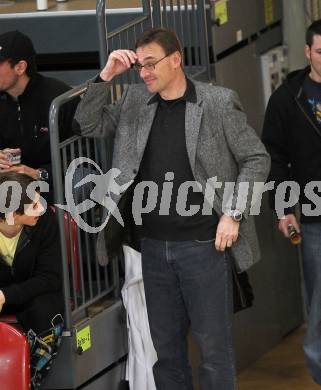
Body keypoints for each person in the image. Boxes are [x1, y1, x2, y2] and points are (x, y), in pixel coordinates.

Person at [74, 28, 270, 390]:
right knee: (166, 355)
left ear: (176, 59)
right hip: (153, 248)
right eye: (141, 66)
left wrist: (233, 213)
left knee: (214, 354)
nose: (145, 72)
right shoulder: (134, 101)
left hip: (205, 248)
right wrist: (105, 77)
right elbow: (88, 123)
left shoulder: (217, 102)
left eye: (152, 64)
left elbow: (256, 158)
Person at [262, 19, 321, 385]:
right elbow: (274, 158)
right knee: (319, 307)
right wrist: (283, 209)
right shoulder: (288, 98)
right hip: (314, 220)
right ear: (308, 52)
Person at [0, 30, 77, 202]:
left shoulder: (59, 99)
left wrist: (38, 173)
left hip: (55, 182)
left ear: (20, 67)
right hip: (12, 184)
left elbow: (84, 159)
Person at [0, 172, 63, 334]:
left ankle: (41, 358)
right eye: (34, 206)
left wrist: (6, 295)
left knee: (45, 309)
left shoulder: (45, 219)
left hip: (34, 294)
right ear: (13, 214)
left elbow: (50, 278)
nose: (42, 208)